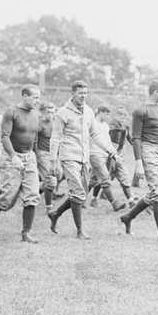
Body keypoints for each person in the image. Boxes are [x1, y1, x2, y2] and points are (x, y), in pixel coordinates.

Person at [48, 80, 117, 239]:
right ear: (73, 93)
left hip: (84, 158)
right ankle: (80, 230)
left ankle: (56, 214)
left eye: (86, 93)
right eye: (80, 93)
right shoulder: (62, 113)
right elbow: (55, 137)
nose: (84, 96)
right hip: (69, 157)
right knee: (78, 193)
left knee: (80, 195)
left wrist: (110, 150)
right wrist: (54, 161)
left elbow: (95, 134)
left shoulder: (88, 111)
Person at [119, 80, 158, 243]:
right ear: (155, 92)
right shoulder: (141, 110)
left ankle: (128, 217)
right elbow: (136, 137)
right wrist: (138, 162)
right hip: (148, 150)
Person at [0, 85, 41, 242]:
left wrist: (38, 161)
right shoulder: (11, 112)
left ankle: (26, 233)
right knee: (7, 199)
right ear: (24, 96)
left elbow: (35, 139)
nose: (37, 101)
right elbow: (5, 136)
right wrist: (14, 156)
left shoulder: (36, 114)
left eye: (39, 98)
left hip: (30, 158)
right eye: (35, 97)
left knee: (32, 195)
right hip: (11, 158)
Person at [88, 105, 128, 212]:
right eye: (106, 114)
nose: (108, 116)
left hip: (104, 155)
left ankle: (79, 200)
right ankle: (115, 203)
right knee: (105, 178)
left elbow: (108, 142)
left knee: (93, 181)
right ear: (100, 112)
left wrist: (115, 154)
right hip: (94, 154)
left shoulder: (105, 126)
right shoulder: (92, 124)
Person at [35, 102, 57, 213]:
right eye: (48, 112)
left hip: (53, 154)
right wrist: (36, 154)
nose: (50, 114)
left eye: (53, 112)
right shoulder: (39, 124)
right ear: (43, 112)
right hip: (42, 153)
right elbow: (33, 140)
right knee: (50, 179)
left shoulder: (56, 124)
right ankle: (49, 207)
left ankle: (35, 192)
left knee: (58, 175)